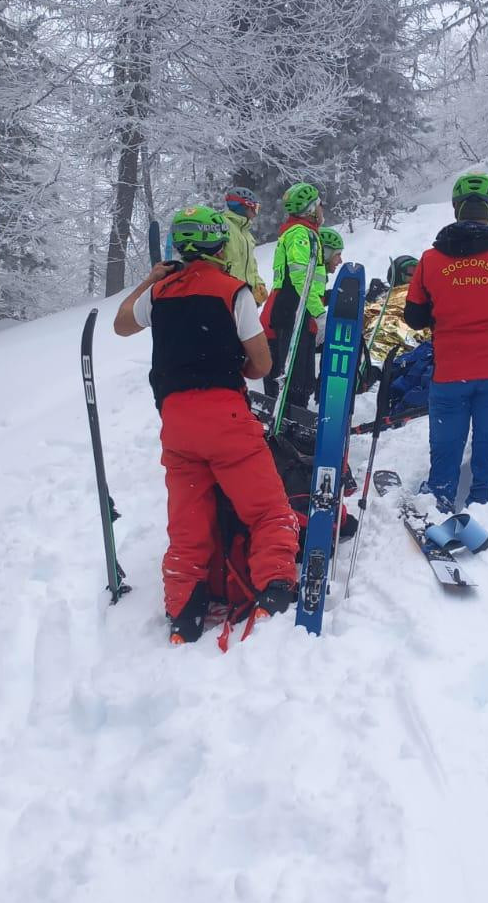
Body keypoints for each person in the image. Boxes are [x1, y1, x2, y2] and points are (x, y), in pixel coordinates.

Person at [113, 204, 299, 644]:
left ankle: (185, 613)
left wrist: (150, 278)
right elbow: (262, 362)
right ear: (219, 244)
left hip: (176, 423)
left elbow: (121, 325)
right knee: (267, 507)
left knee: (188, 522)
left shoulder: (158, 294)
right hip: (225, 417)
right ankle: (274, 588)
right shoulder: (233, 291)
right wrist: (245, 369)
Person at [404, 172, 488, 511]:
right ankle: (483, 498)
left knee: (447, 442)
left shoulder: (430, 261)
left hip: (449, 372)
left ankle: (439, 497)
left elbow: (415, 318)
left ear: (457, 209)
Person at [261, 182, 327, 407]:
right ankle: (289, 426)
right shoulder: (300, 233)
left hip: (295, 309)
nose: (322, 209)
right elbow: (301, 277)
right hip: (294, 311)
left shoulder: (304, 232)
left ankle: (292, 418)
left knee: (300, 378)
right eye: (319, 205)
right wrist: (319, 313)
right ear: (310, 209)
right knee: (296, 379)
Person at [364, 255, 429, 362]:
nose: (415, 276)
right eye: (411, 272)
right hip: (382, 330)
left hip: (411, 338)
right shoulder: (381, 296)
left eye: (418, 271)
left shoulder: (426, 295)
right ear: (399, 275)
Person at [223, 186, 268, 304]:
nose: (255, 214)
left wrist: (257, 283)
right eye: (255, 208)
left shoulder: (246, 233)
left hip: (244, 295)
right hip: (228, 295)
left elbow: (250, 264)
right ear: (245, 206)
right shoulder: (223, 226)